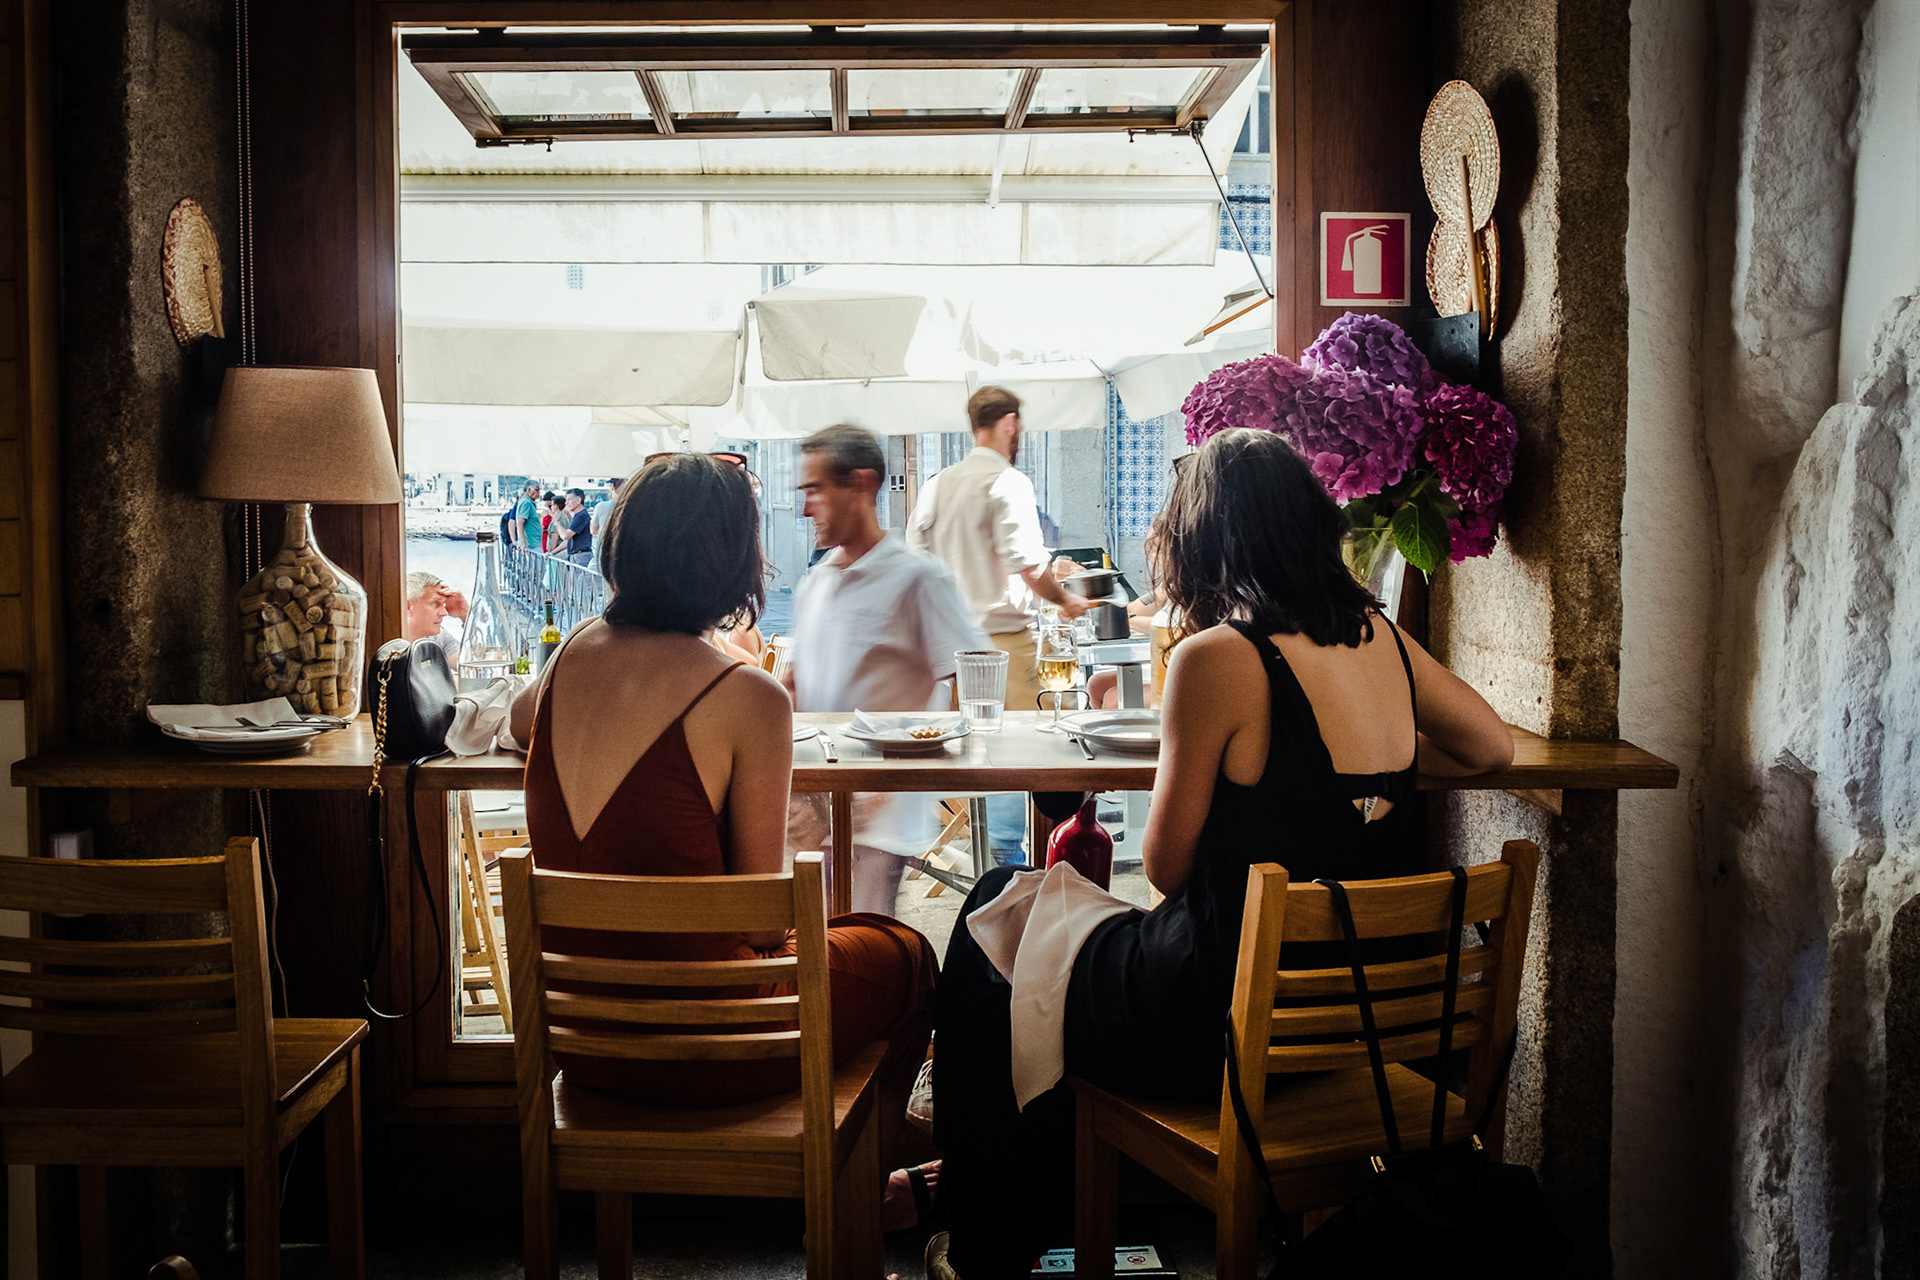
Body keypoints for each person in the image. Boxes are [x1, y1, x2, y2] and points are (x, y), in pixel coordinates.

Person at [923, 429, 1516, 1280]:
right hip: (1359, 1030)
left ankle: (984, 1239)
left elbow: (1164, 869)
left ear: (1204, 541)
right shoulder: (1381, 639)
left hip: (1219, 1028)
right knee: (1029, 934)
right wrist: (1386, 777)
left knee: (993, 913)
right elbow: (1491, 747)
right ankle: (1020, 1214)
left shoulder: (1217, 660)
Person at [507, 454, 938, 1225]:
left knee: (841, 942)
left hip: (588, 1043)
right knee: (907, 955)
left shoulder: (568, 657)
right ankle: (862, 1198)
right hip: (714, 1048)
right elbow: (760, 923)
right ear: (736, 561)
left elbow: (515, 721)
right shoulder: (747, 697)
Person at [788, 424, 985, 917]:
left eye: (815, 489)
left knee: (856, 953)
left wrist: (909, 764)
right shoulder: (815, 583)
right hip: (811, 809)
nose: (805, 506)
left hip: (876, 822)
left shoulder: (917, 577)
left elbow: (973, 679)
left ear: (862, 485)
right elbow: (797, 690)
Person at [909, 386, 1086, 865]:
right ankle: (1017, 863)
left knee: (978, 748)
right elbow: (1029, 564)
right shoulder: (1008, 482)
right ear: (1009, 424)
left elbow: (916, 561)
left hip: (951, 648)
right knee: (1034, 747)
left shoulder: (938, 483)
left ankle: (996, 857)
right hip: (1004, 642)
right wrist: (1065, 601)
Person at [401, 570, 467, 661]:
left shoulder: (437, 638)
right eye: (435, 603)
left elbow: (477, 662)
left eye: (443, 604)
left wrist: (465, 615)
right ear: (408, 606)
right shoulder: (386, 642)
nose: (445, 613)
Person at [559, 487, 594, 566]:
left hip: (580, 556)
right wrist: (552, 552)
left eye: (569, 500)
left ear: (578, 500)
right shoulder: (577, 516)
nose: (566, 503)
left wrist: (556, 522)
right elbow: (568, 541)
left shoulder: (582, 515)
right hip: (576, 556)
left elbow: (565, 536)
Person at [515, 480, 541, 549]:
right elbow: (520, 523)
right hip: (532, 544)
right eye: (537, 490)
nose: (538, 493)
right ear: (529, 490)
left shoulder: (527, 502)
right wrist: (523, 543)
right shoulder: (527, 503)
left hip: (534, 543)